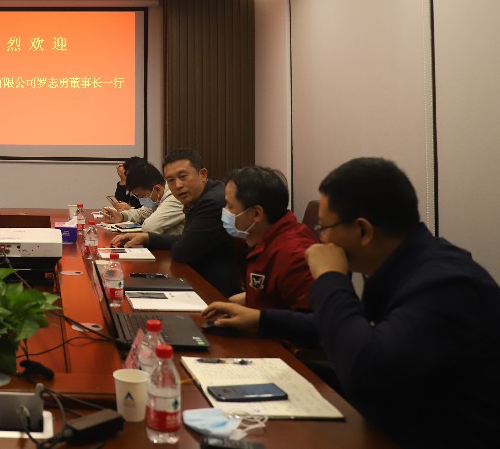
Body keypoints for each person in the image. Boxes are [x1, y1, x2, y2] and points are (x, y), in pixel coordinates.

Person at [203, 157, 500, 447]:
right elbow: (348, 328)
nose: (320, 240)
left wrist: (331, 277)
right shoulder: (398, 268)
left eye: (324, 228)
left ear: (363, 230)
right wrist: (261, 319)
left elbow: (367, 372)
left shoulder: (443, 284)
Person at [111, 149, 240, 297]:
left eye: (183, 176)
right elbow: (186, 240)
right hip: (198, 278)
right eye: (171, 180)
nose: (178, 185)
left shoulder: (212, 201)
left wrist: (157, 238)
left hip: (214, 291)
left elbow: (183, 251)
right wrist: (148, 238)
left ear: (202, 175)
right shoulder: (196, 196)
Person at [208, 165, 316, 311]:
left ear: (256, 214)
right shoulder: (250, 237)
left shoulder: (294, 255)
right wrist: (249, 298)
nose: (225, 211)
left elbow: (310, 320)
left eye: (230, 206)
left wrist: (256, 318)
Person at [101, 161, 185, 235]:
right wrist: (121, 216)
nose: (141, 201)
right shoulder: (158, 196)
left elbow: (150, 227)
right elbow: (142, 213)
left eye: (142, 196)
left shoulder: (175, 198)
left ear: (157, 189)